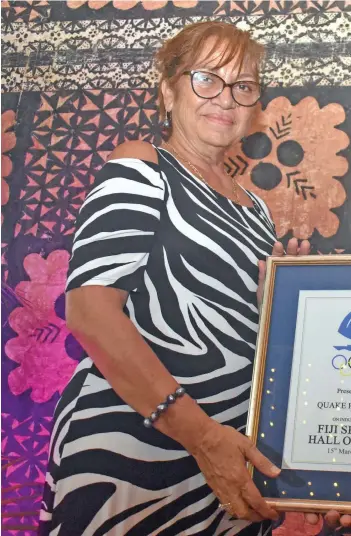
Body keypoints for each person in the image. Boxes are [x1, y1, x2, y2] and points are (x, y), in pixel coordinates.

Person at [39, 21, 310, 535]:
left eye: (243, 86)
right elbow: (90, 311)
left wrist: (284, 295)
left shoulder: (255, 210)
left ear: (255, 107)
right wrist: (201, 436)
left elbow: (243, 335)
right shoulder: (143, 166)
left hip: (224, 465)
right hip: (133, 455)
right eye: (207, 78)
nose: (225, 98)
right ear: (168, 90)